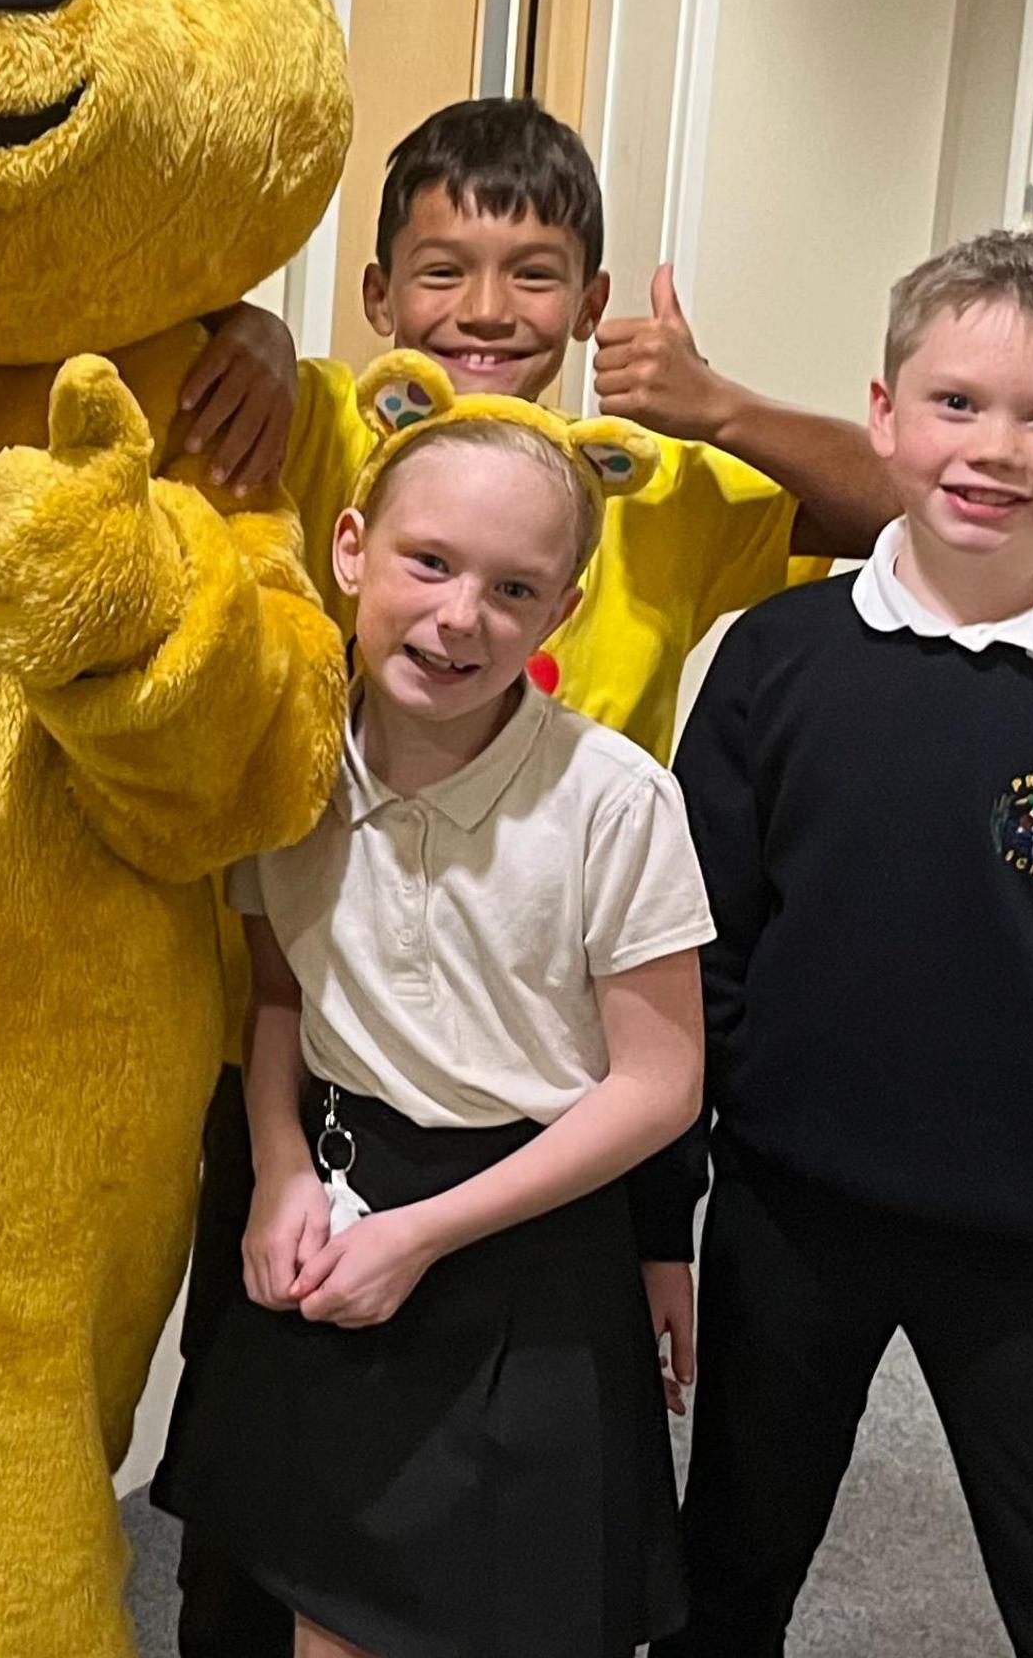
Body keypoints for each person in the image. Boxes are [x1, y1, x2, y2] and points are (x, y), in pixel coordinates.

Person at [154, 97, 898, 1656]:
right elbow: (134, 355)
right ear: (377, 299)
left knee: (511, 1552)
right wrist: (243, 332)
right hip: (326, 1034)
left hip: (558, 1051)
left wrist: (718, 408)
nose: (486, 309)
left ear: (593, 305)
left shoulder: (654, 484)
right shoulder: (327, 431)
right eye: (443, 269)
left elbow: (912, 509)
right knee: (260, 1529)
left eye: (536, 273)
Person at [654, 233, 1033, 1658]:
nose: (994, 451)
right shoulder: (778, 659)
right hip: (787, 1223)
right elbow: (698, 967)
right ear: (883, 416)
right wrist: (658, 1231)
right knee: (723, 1581)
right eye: (954, 405)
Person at [174, 357, 708, 1658]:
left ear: (562, 609)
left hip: (521, 1228)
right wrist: (279, 1167)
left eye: (513, 589)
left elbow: (658, 1083)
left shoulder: (617, 804)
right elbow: (281, 992)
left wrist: (425, 1234)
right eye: (428, 563)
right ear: (351, 547)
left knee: (500, 1617)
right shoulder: (285, 766)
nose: (459, 618)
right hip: (334, 1209)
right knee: (306, 1610)